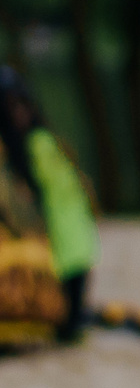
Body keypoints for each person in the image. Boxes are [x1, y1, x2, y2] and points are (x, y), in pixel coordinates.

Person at [0, 73, 96, 343]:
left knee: (68, 318)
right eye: (12, 107)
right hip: (68, 240)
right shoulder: (42, 142)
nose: (19, 113)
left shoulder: (35, 145)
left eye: (21, 105)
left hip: (64, 238)